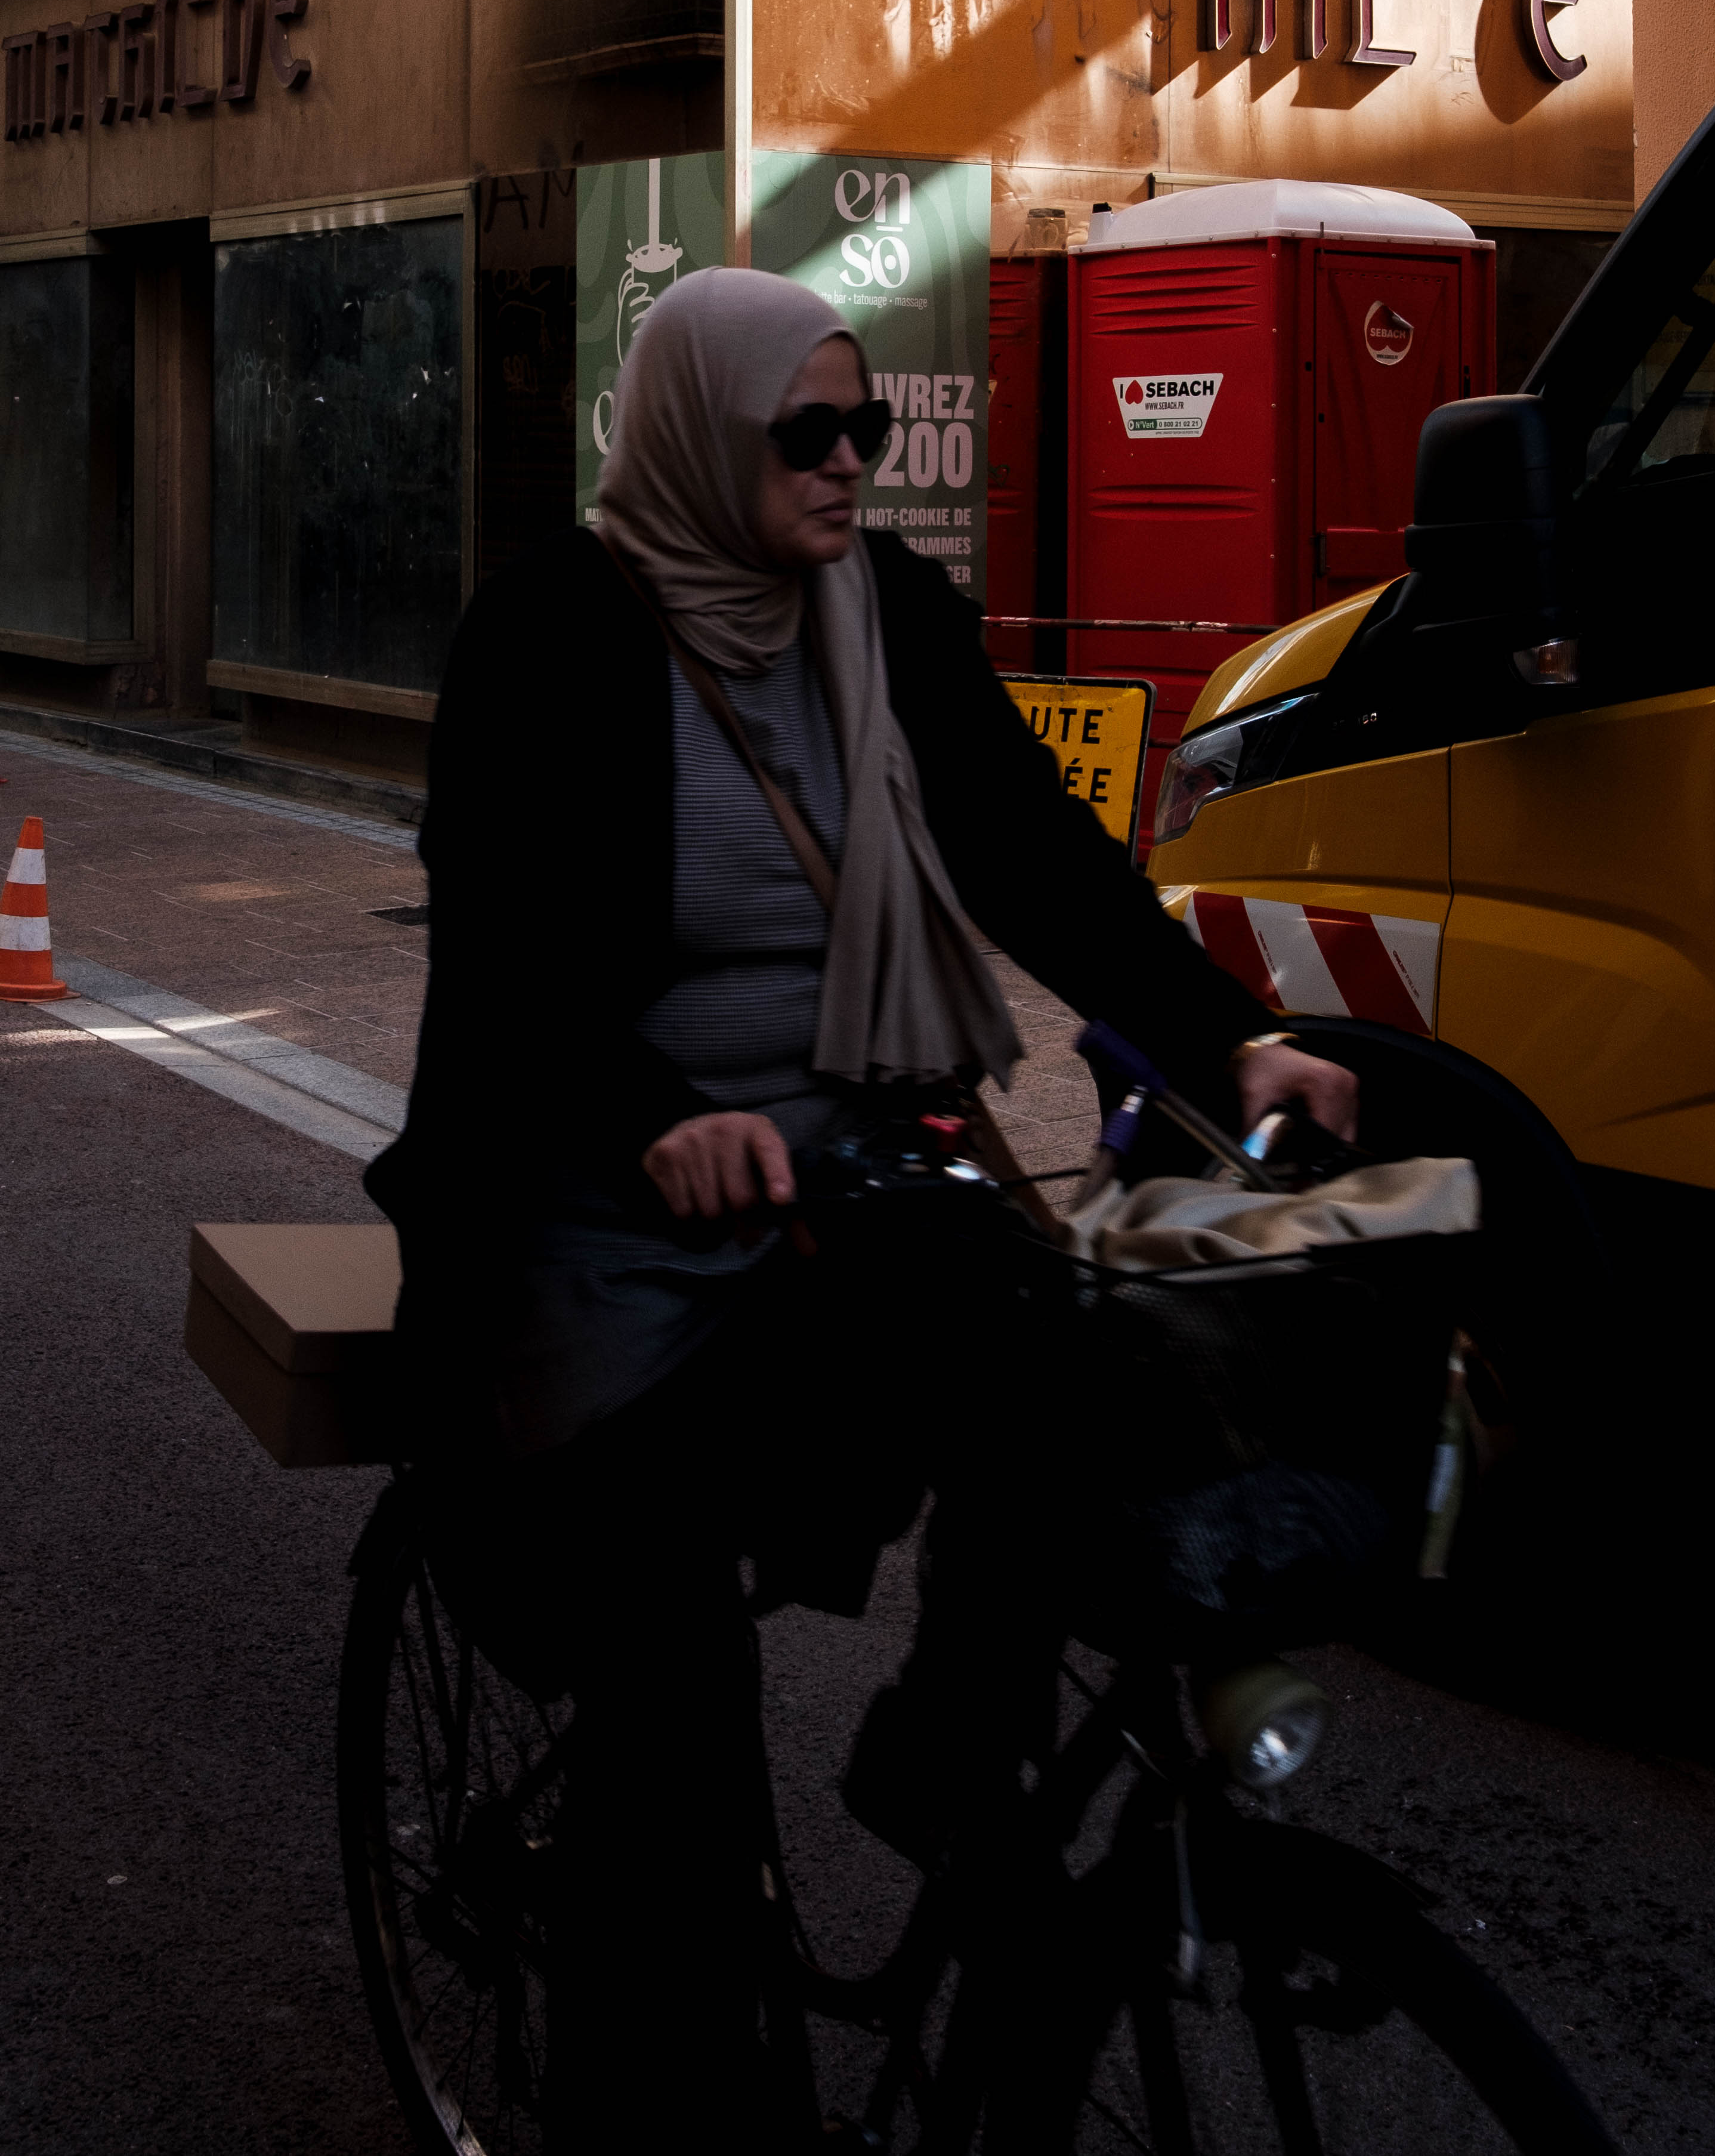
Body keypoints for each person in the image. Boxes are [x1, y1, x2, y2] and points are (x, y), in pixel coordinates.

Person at [364, 265, 1354, 2151]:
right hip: (581, 1200)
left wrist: (1231, 1045)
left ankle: (942, 1755)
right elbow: (497, 952)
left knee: (1079, 1386)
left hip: (841, 1164)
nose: (845, 465)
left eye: (862, 429)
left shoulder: (884, 615)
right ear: (690, 436)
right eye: (801, 434)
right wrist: (655, 1113)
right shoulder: (551, 633)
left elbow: (1038, 866)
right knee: (669, 1694)